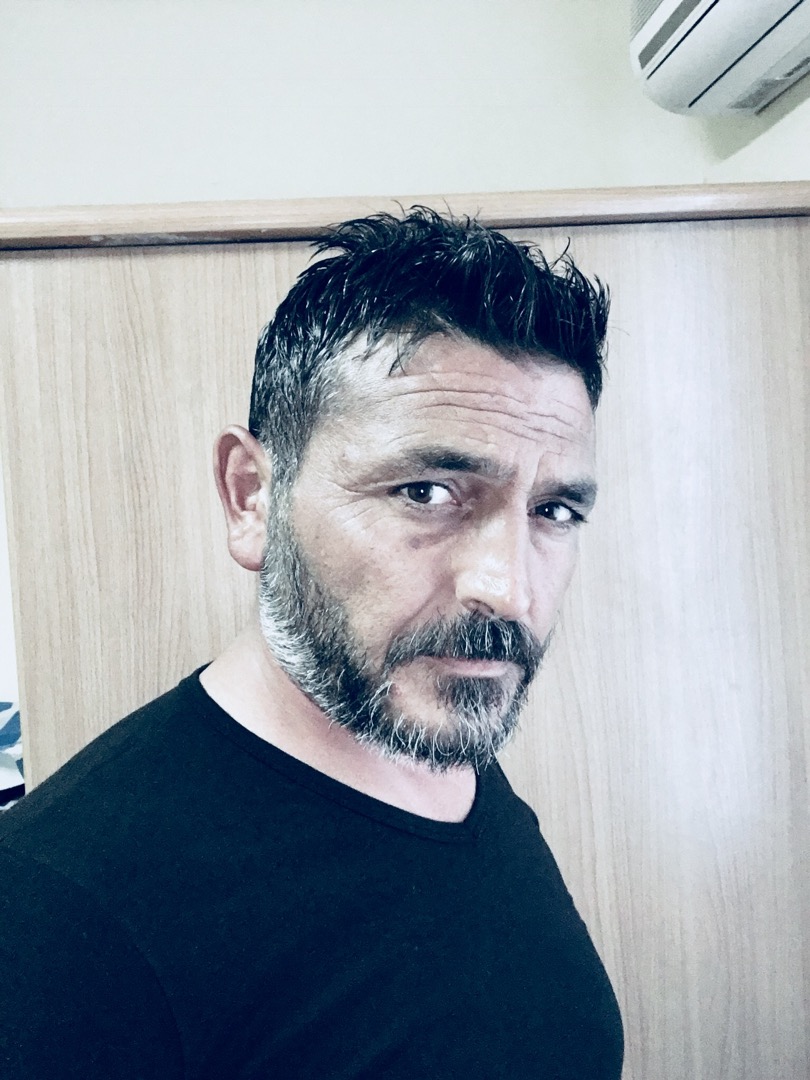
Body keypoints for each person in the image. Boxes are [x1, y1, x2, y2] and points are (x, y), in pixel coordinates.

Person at [0, 209, 623, 1078]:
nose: (509, 588)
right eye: (426, 491)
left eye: (553, 510)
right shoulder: (57, 919)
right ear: (252, 496)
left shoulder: (440, 745)